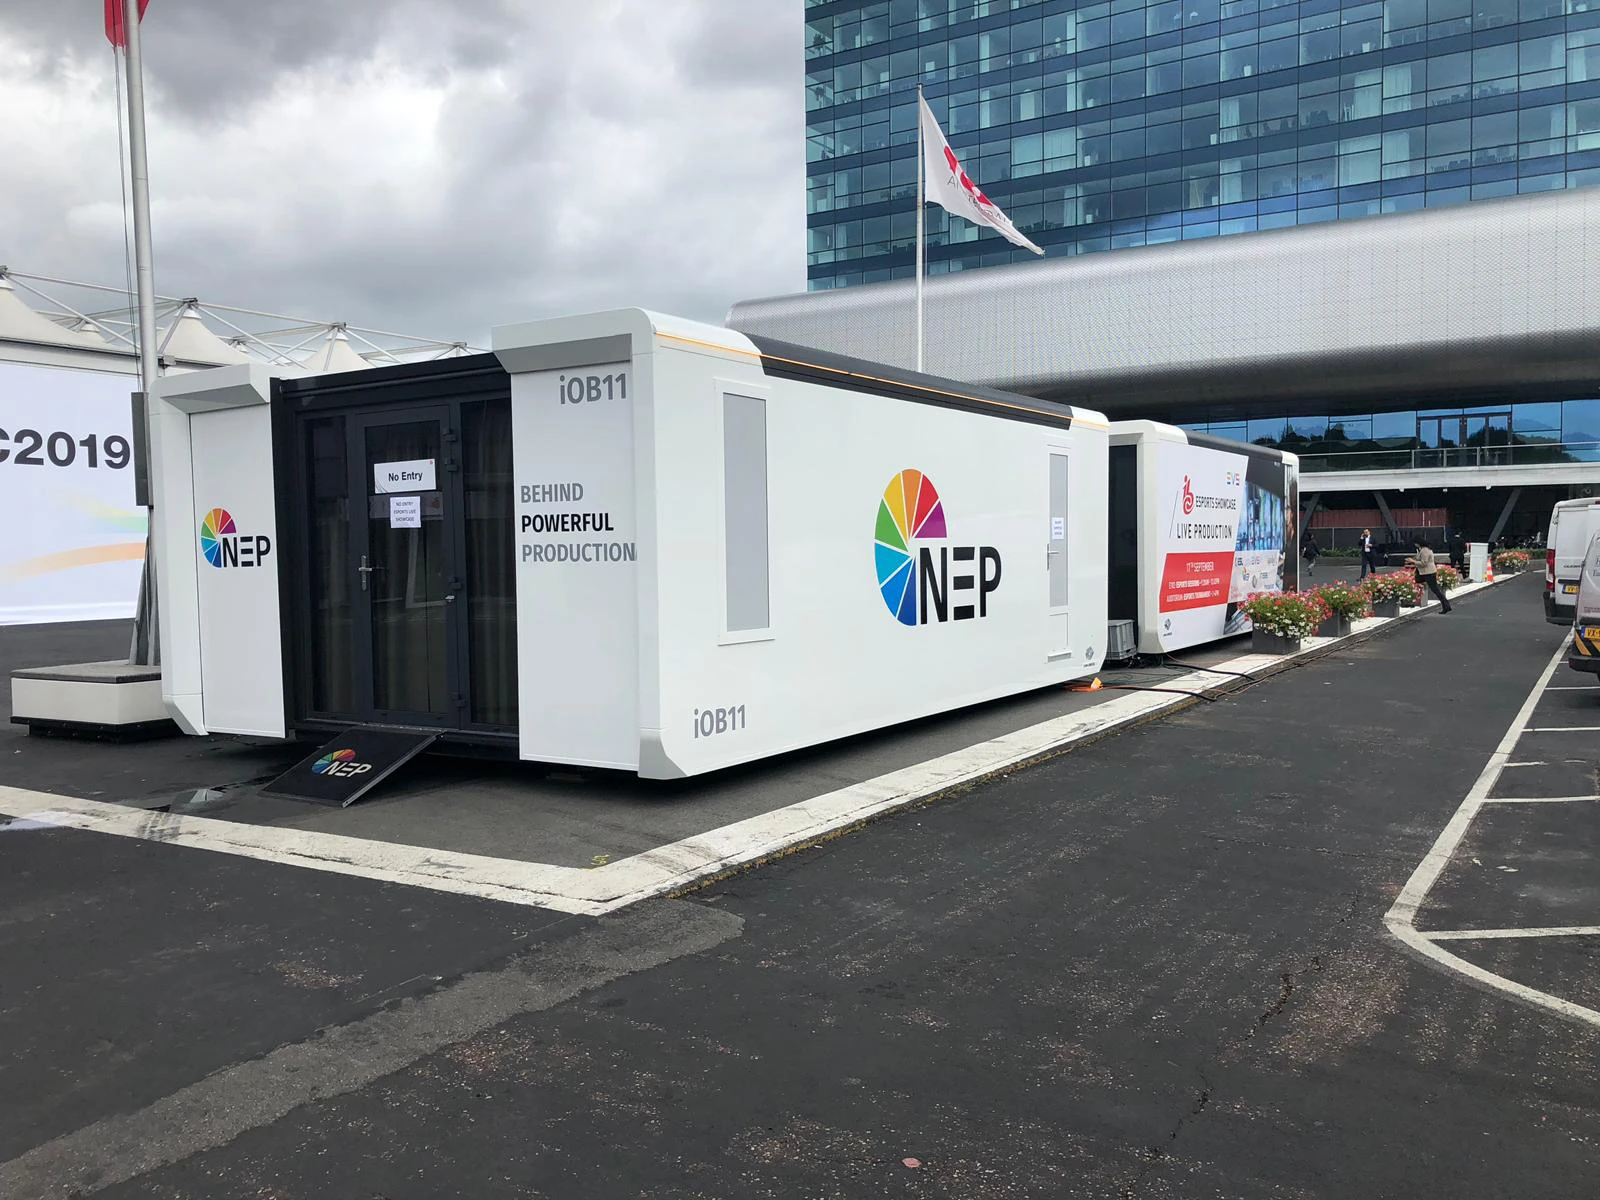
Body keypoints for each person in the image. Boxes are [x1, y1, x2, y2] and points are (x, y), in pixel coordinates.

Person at [1411, 538, 1452, 613]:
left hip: (1428, 572)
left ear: (1418, 543)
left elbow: (1424, 563)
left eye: (1415, 543)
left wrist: (1413, 561)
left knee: (1435, 590)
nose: (1415, 545)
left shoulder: (1424, 550)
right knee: (1433, 588)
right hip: (1426, 572)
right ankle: (1446, 605)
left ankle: (1446, 606)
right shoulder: (1423, 550)